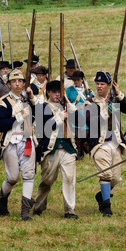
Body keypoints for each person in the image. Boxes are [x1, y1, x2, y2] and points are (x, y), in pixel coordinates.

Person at [85, 71, 126, 216]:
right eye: (97, 84)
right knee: (105, 174)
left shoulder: (114, 99)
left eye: (102, 84)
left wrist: (119, 94)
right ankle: (106, 207)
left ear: (108, 85)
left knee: (116, 178)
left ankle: (101, 195)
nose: (99, 87)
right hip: (99, 144)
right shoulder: (90, 101)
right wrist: (106, 112)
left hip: (115, 142)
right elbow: (89, 120)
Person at [33, 80, 79, 219]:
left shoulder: (67, 107)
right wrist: (59, 118)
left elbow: (79, 121)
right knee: (47, 181)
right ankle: (39, 206)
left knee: (69, 179)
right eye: (54, 92)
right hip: (50, 150)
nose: (57, 95)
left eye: (59, 92)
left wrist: (68, 104)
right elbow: (43, 128)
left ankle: (69, 210)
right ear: (48, 93)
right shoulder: (42, 107)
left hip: (67, 149)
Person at [0, 69, 37, 221]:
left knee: (28, 175)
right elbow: (1, 125)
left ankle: (25, 212)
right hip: (11, 142)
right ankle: (2, 197)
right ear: (9, 84)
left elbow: (41, 113)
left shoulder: (29, 100)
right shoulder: (4, 102)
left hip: (27, 140)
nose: (17, 84)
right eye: (14, 81)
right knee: (12, 177)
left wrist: (32, 98)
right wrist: (20, 116)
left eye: (20, 81)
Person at [65, 70, 93, 160]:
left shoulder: (87, 90)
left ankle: (89, 151)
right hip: (74, 114)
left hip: (85, 114)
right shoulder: (68, 90)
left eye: (78, 80)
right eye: (75, 80)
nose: (76, 81)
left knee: (86, 135)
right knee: (76, 135)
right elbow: (66, 102)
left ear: (82, 80)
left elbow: (92, 100)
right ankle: (79, 154)